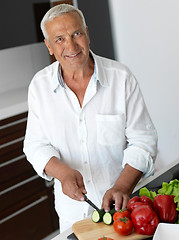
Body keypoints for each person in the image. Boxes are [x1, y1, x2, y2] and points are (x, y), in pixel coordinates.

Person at [23, 4, 158, 232]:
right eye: (59, 39)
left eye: (76, 34)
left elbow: (143, 141)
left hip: (123, 210)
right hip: (72, 215)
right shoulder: (39, 86)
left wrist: (122, 186)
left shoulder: (121, 78)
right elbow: (35, 145)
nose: (71, 46)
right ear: (49, 46)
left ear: (87, 33)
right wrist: (63, 173)